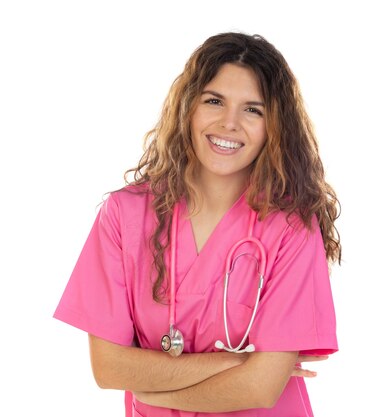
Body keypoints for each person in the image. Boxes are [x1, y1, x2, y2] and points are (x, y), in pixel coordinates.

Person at [53, 32, 342, 416]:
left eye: (253, 110)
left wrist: (154, 392)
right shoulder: (124, 215)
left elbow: (260, 389)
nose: (230, 123)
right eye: (214, 101)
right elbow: (108, 367)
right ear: (188, 107)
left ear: (274, 127)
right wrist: (235, 364)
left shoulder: (290, 230)